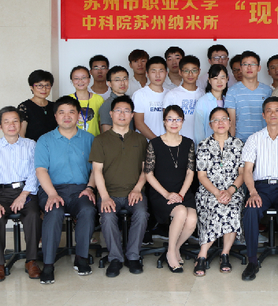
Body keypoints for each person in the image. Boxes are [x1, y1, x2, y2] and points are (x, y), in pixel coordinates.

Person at [35, 96, 97, 284]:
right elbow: (41, 170)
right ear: (55, 116)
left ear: (78, 115)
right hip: (52, 189)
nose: (67, 116)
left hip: (81, 189)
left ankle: (81, 257)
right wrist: (52, 194)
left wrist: (90, 187)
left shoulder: (89, 139)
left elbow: (96, 169)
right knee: (53, 212)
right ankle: (48, 264)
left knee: (88, 210)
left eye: (71, 112)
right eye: (62, 112)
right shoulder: (45, 140)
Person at [240, 97, 278, 282]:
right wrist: (252, 192)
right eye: (269, 110)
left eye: (277, 110)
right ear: (263, 115)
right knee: (250, 210)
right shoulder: (254, 139)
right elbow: (247, 170)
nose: (273, 114)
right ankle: (252, 261)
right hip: (261, 188)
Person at [90, 95, 149, 277]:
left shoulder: (140, 140)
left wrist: (137, 189)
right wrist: (104, 197)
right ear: (111, 114)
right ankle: (115, 258)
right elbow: (97, 171)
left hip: (134, 192)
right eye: (118, 110)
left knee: (141, 214)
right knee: (107, 217)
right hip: (109, 193)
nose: (122, 114)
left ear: (132, 115)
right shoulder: (100, 140)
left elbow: (145, 170)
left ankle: (133, 256)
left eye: (126, 111)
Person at [145, 105, 197, 274]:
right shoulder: (154, 144)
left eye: (178, 119)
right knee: (181, 212)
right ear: (164, 122)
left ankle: (174, 248)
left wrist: (181, 194)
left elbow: (190, 172)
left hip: (183, 192)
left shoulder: (188, 143)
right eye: (170, 119)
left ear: (182, 121)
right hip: (161, 193)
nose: (174, 123)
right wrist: (167, 194)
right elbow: (148, 174)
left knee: (192, 219)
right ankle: (171, 254)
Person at [195, 107, 245, 276]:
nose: (220, 123)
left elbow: (242, 173)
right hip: (209, 191)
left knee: (232, 207)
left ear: (230, 123)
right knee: (214, 206)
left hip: (233, 191)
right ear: (210, 125)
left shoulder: (239, 144)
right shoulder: (203, 145)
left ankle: (225, 253)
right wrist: (217, 193)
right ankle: (203, 254)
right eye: (216, 120)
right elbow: (201, 176)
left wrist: (230, 191)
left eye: (224, 119)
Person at [0, 106, 42, 281]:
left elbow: (35, 172)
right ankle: (0, 263)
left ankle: (31, 260)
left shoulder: (30, 145)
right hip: (2, 192)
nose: (11, 125)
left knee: (33, 214)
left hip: (26, 191)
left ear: (20, 123)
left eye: (15, 121)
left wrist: (23, 195)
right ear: (1, 126)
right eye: (7, 122)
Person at [225, 50, 272, 142]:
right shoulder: (232, 91)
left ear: (259, 68)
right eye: (245, 64)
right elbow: (232, 122)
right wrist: (231, 143)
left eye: (253, 64)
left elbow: (271, 119)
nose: (249, 67)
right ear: (240, 68)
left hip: (263, 141)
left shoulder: (267, 91)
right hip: (240, 142)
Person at [163, 55, 204, 141]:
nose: (190, 74)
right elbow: (166, 122)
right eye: (186, 71)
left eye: (194, 70)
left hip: (201, 142)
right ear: (180, 72)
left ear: (199, 71)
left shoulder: (203, 94)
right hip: (179, 142)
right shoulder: (172, 95)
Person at [132, 56, 168, 140]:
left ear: (166, 73)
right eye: (153, 71)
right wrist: (157, 141)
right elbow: (139, 124)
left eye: (161, 71)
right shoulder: (140, 95)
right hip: (146, 143)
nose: (158, 75)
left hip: (168, 142)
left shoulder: (170, 94)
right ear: (147, 74)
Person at [18, 69, 57, 141]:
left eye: (47, 85)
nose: (44, 89)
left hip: (54, 146)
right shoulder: (24, 107)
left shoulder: (55, 106)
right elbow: (21, 135)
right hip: (33, 146)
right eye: (39, 85)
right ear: (31, 87)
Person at [194, 64, 229, 144]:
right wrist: (201, 147)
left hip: (226, 146)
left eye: (222, 78)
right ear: (209, 80)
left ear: (227, 79)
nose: (219, 82)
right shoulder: (203, 101)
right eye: (215, 78)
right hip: (208, 146)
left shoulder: (228, 100)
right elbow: (199, 130)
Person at [69, 65, 104, 137]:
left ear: (89, 79)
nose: (80, 81)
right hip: (73, 141)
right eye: (76, 78)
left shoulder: (99, 99)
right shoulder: (67, 100)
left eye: (84, 77)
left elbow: (101, 123)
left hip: (94, 140)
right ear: (72, 81)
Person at [99, 66, 132, 133]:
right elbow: (107, 132)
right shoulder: (107, 105)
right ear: (109, 83)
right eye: (117, 80)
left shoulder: (130, 101)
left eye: (125, 79)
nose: (122, 83)